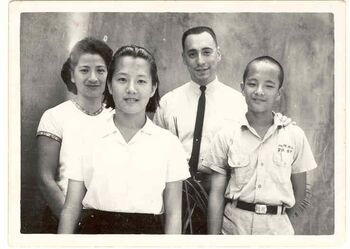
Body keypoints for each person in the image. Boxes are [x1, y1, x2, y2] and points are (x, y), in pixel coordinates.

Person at [58, 45, 190, 234]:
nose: (131, 89)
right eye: (122, 79)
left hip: (147, 237)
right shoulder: (86, 138)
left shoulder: (168, 144)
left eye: (141, 81)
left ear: (153, 88)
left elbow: (174, 215)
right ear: (110, 85)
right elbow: (70, 209)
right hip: (94, 235)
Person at [204, 56, 317, 235]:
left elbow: (300, 192)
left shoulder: (294, 135)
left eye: (269, 86)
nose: (259, 91)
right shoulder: (227, 135)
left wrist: (276, 217)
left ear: (278, 93)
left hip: (277, 233)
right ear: (242, 88)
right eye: (252, 84)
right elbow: (216, 195)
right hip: (234, 230)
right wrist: (213, 241)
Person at [153, 26, 247, 234]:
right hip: (177, 198)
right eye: (192, 54)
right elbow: (157, 156)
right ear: (184, 58)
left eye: (207, 52)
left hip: (221, 198)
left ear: (218, 54)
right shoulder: (168, 103)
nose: (200, 61)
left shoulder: (239, 104)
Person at [36, 37, 113, 233]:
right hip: (62, 217)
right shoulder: (55, 116)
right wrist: (74, 223)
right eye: (84, 70)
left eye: (100, 70)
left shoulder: (119, 118)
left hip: (109, 220)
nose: (93, 78)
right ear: (72, 75)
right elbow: (45, 179)